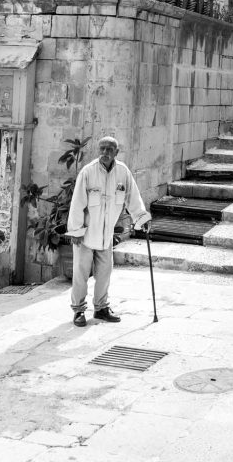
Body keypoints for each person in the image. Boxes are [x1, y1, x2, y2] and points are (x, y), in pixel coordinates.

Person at [66, 135, 151, 327]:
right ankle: (79, 311)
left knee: (105, 273)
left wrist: (142, 218)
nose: (105, 152)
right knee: (80, 274)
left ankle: (101, 308)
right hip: (86, 234)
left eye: (109, 149)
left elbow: (133, 198)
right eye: (102, 148)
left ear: (116, 152)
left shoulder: (123, 172)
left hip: (106, 236)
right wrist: (76, 231)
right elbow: (77, 203)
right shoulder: (88, 172)